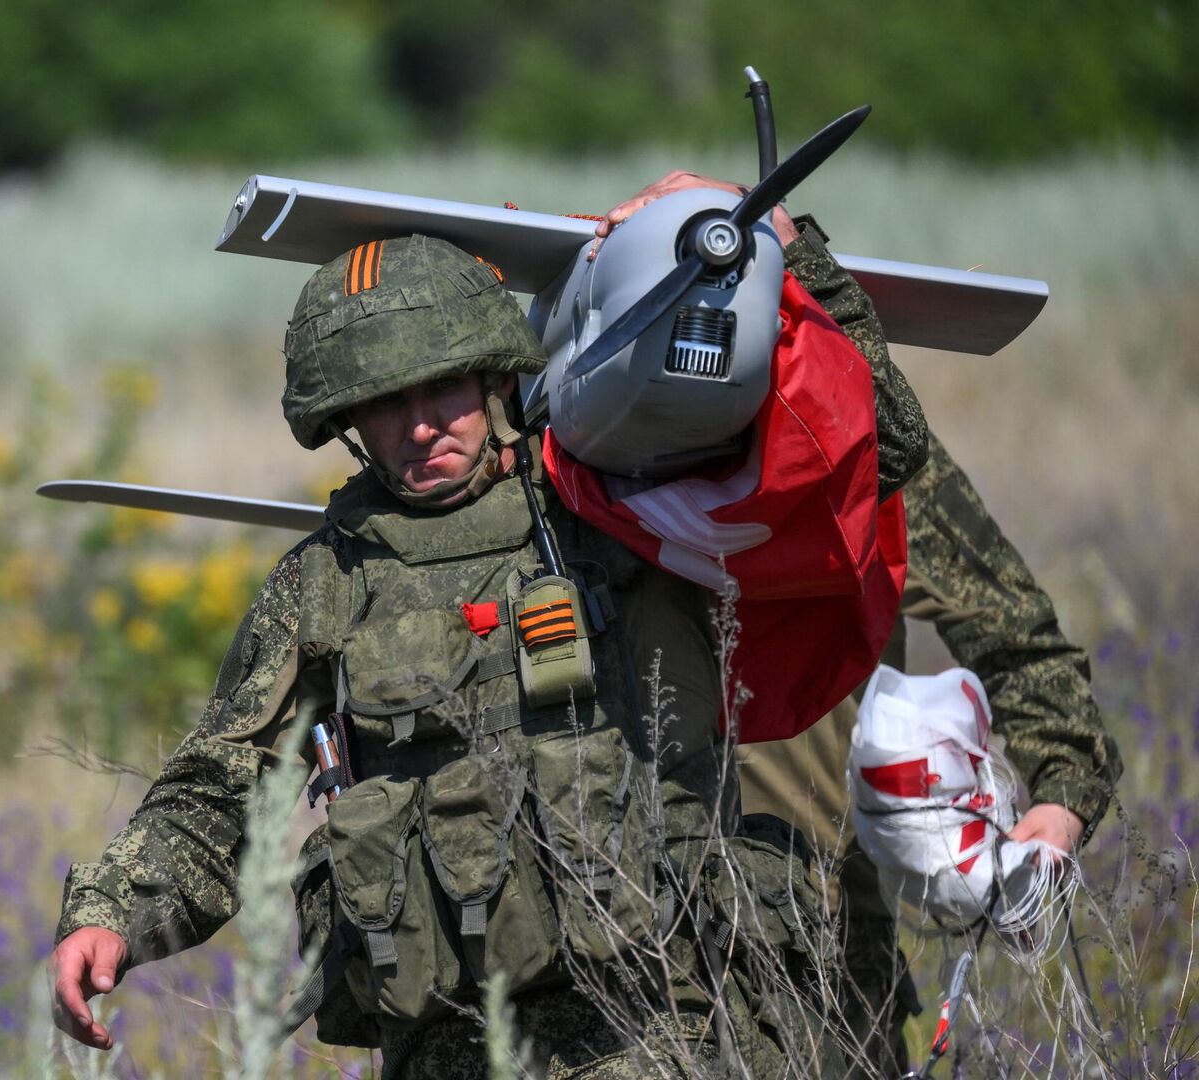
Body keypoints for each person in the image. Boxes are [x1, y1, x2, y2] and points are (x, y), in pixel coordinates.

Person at [49, 180, 928, 1075]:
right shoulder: (327, 583)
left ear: (495, 376)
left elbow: (876, 451)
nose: (422, 425)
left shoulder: (621, 507)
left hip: (660, 1027)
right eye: (386, 403)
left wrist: (782, 247)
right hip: (450, 1049)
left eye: (442, 389)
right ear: (345, 422)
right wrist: (109, 914)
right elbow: (221, 783)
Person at [737, 431, 1124, 1075]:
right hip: (607, 957)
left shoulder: (824, 400)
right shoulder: (556, 415)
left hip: (821, 968)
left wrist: (1061, 794)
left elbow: (1012, 631)